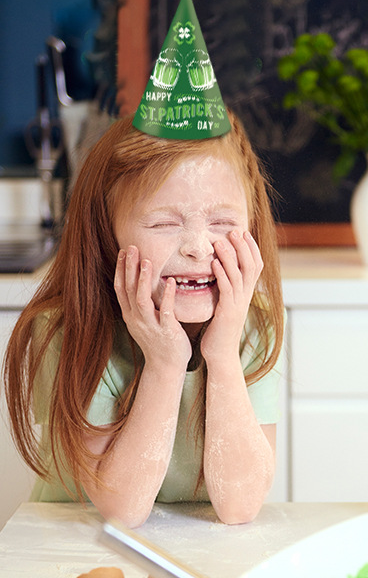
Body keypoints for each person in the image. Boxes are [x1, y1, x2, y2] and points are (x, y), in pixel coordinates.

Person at [3, 111, 285, 527]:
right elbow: (122, 509)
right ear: (107, 234)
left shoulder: (252, 327)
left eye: (222, 223)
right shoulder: (68, 330)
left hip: (197, 546)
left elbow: (240, 505)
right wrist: (165, 362)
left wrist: (223, 353)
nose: (197, 247)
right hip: (76, 544)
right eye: (164, 223)